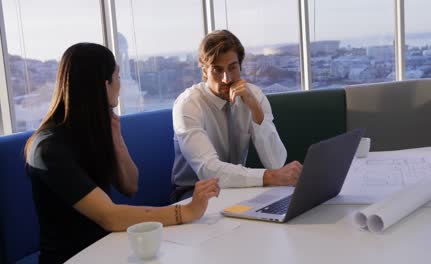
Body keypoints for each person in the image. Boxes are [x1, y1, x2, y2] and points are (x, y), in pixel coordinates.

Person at [25, 43, 220, 264]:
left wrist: (116, 140)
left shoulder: (92, 130)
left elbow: (130, 186)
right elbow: (110, 216)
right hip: (74, 257)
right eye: (117, 76)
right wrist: (186, 212)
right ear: (105, 85)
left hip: (108, 248)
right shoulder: (48, 148)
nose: (121, 84)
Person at [171, 30, 303, 202]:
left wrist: (255, 110)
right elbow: (208, 170)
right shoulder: (188, 104)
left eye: (232, 68)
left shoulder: (254, 95)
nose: (226, 79)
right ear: (204, 71)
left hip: (237, 187)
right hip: (192, 192)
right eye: (217, 70)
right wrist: (270, 177)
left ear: (240, 66)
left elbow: (276, 162)